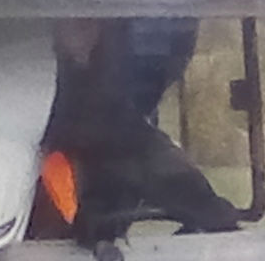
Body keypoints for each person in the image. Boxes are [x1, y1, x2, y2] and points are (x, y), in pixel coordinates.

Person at [31, 17, 240, 241]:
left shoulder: (119, 124)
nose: (88, 35)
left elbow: (164, 170)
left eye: (99, 25)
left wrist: (209, 211)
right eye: (78, 23)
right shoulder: (25, 126)